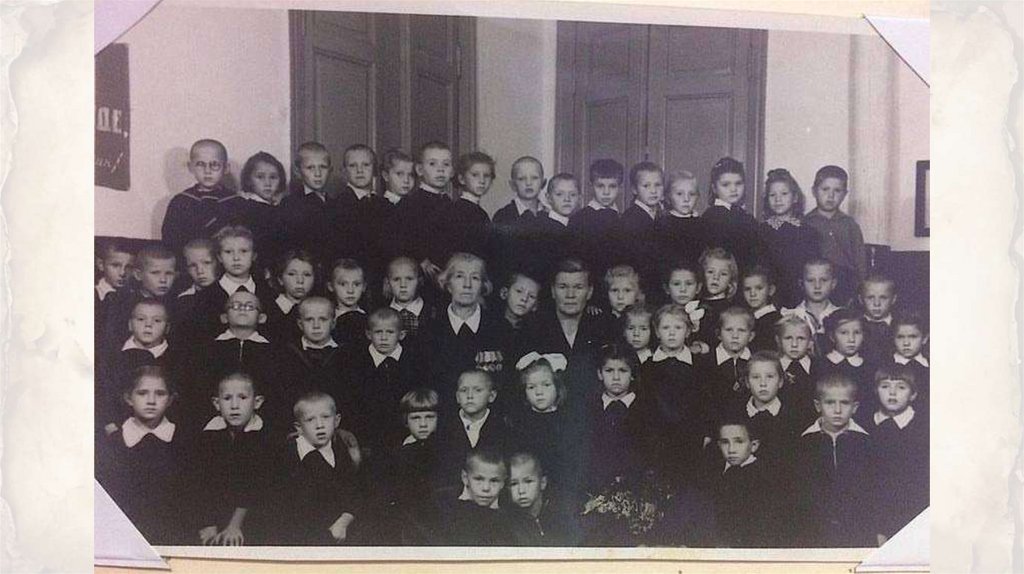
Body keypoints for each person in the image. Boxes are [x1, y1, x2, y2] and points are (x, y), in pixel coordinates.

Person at [96, 366, 189, 544]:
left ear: (170, 399)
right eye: (142, 393)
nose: (151, 401)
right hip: (123, 534)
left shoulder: (181, 441)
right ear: (129, 398)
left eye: (160, 394)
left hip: (172, 533)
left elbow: (188, 492)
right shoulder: (114, 443)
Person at [792, 374, 877, 547]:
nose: (837, 410)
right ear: (818, 406)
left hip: (858, 530)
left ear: (854, 407)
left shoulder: (866, 442)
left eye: (844, 403)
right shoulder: (803, 443)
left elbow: (875, 490)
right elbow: (798, 492)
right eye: (830, 403)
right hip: (813, 531)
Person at [265, 391, 359, 545]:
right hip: (297, 535)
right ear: (299, 428)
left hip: (337, 531)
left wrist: (344, 520)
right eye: (310, 420)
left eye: (325, 417)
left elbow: (352, 492)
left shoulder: (341, 450)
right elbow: (280, 507)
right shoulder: (287, 455)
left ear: (336, 421)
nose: (319, 425)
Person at [191, 373, 272, 546]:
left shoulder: (264, 439)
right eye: (227, 398)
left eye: (242, 398)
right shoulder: (208, 436)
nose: (234, 406)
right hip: (215, 511)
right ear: (217, 404)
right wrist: (208, 523)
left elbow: (254, 486)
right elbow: (201, 482)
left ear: (257, 402)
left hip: (250, 513)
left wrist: (235, 525)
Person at [423, 252, 504, 408]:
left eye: (475, 278)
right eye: (459, 276)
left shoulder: (500, 327)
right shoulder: (429, 331)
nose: (467, 285)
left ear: (483, 286)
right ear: (447, 284)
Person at [339, 307, 419, 464]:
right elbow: (350, 403)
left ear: (401, 335)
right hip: (367, 438)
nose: (383, 338)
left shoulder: (413, 361)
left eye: (390, 332)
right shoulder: (355, 363)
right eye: (378, 332)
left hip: (406, 435)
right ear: (368, 334)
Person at [639, 304, 703, 482]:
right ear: (657, 332)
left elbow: (705, 404)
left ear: (688, 331)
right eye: (666, 328)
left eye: (678, 327)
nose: (672, 333)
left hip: (691, 441)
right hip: (656, 442)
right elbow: (644, 407)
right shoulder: (647, 368)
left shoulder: (700, 366)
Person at [581, 344, 656, 492]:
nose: (616, 377)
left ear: (632, 374)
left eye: (623, 370)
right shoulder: (589, 408)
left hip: (637, 488)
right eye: (609, 371)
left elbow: (650, 454)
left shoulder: (646, 409)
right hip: (596, 488)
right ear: (600, 374)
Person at [97, 300, 175, 437]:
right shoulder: (111, 358)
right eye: (141, 319)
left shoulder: (177, 360)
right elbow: (102, 395)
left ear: (167, 327)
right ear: (130, 324)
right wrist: (110, 425)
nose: (148, 325)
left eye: (157, 320)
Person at [868, 367, 929, 541]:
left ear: (913, 395)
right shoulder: (865, 424)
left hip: (911, 515)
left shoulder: (924, 427)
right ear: (876, 391)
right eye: (885, 386)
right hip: (873, 516)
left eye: (901, 387)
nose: (892, 392)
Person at [705, 419, 785, 547]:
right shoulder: (712, 473)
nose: (731, 449)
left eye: (739, 442)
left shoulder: (765, 478)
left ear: (754, 446)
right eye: (725, 442)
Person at [188, 225, 274, 343]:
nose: (236, 258)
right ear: (219, 257)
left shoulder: (269, 294)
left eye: (243, 251)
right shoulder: (204, 298)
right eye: (228, 252)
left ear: (254, 255)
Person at [505, 353, 578, 491]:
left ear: (557, 387)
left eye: (546, 385)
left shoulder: (568, 421)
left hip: (563, 486)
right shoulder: (520, 423)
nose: (539, 392)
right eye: (531, 387)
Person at [436, 370, 510, 492]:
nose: (470, 396)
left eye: (477, 390)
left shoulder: (504, 430)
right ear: (457, 397)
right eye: (464, 390)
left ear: (491, 396)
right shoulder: (443, 430)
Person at [803, 165, 866, 305]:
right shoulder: (805, 223)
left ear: (844, 194)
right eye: (825, 189)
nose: (830, 196)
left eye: (837, 191)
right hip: (815, 283)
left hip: (845, 285)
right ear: (814, 191)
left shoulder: (850, 225)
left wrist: (860, 290)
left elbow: (860, 262)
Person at [100, 244, 177, 358]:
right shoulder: (121, 305)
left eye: (169, 273)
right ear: (138, 275)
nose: (163, 280)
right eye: (155, 273)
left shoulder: (176, 306)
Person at [161, 138, 235, 255]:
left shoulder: (236, 202)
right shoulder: (180, 203)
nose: (207, 171)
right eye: (200, 164)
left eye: (214, 165)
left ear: (226, 168)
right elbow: (170, 241)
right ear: (190, 167)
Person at [758, 168, 820, 308]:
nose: (778, 199)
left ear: (795, 197)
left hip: (800, 297)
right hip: (770, 298)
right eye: (772, 195)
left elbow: (812, 269)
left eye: (784, 194)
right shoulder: (761, 231)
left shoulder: (808, 233)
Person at [223, 151, 288, 274]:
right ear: (249, 180)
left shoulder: (278, 208)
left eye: (273, 177)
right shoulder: (245, 208)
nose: (268, 183)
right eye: (260, 177)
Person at [696, 306, 756, 439]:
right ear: (718, 334)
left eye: (741, 330)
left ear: (751, 336)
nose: (735, 336)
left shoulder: (756, 363)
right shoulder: (704, 363)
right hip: (712, 432)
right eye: (729, 330)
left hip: (749, 431)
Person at [434, 449, 516, 546]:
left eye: (494, 481)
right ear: (465, 478)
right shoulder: (443, 506)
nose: (486, 488)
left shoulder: (511, 511)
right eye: (479, 479)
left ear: (503, 482)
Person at [280, 141, 339, 265]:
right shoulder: (290, 204)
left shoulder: (335, 205)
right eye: (310, 168)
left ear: (330, 170)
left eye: (323, 167)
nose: (317, 174)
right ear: (297, 171)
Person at [505, 452, 582, 546]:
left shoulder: (561, 518)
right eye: (514, 484)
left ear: (542, 483)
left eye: (528, 481)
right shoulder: (506, 526)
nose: (521, 490)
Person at [406, 141, 455, 285]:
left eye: (446, 164)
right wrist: (421, 260)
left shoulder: (451, 204)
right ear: (420, 170)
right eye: (432, 164)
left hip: (450, 275)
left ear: (452, 171)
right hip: (423, 277)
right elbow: (405, 239)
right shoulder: (411, 203)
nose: (440, 170)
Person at [701, 156, 761, 274]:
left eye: (738, 183)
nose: (733, 189)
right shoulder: (711, 217)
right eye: (726, 185)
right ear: (714, 188)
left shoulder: (745, 217)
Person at [493, 156, 547, 284]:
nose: (528, 183)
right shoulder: (503, 216)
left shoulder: (549, 215)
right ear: (513, 185)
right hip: (513, 283)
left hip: (544, 283)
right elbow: (498, 258)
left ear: (543, 183)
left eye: (534, 178)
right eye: (522, 179)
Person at [569, 158, 624, 281]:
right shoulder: (578, 220)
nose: (606, 192)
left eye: (612, 186)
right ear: (591, 186)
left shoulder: (623, 220)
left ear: (620, 188)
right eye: (600, 186)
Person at [817, 308, 876, 421]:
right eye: (844, 333)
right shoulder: (820, 365)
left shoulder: (869, 367)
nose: (851, 339)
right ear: (832, 336)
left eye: (857, 333)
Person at [781, 258, 843, 354]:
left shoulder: (841, 316)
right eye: (810, 280)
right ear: (801, 283)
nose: (817, 286)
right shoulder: (789, 315)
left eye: (824, 280)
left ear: (833, 283)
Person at [442, 151, 495, 262]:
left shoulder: (479, 211)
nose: (482, 181)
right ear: (461, 179)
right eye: (475, 175)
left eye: (486, 176)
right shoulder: (458, 211)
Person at [619, 161, 665, 285]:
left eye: (658, 185)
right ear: (634, 189)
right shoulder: (630, 219)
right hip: (640, 283)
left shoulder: (662, 216)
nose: (653, 191)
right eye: (646, 186)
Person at [534, 173, 581, 282]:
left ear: (579, 198)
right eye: (559, 194)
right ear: (548, 198)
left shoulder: (577, 227)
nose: (567, 199)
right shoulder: (543, 228)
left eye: (572, 194)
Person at [656, 170, 708, 268]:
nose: (686, 199)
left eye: (691, 194)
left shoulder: (702, 225)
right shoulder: (662, 225)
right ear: (668, 196)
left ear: (698, 196)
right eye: (679, 194)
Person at [264, 249, 316, 345]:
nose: (300, 280)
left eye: (307, 275)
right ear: (280, 279)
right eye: (292, 274)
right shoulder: (269, 309)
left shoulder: (319, 309)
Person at [692, 247, 740, 352]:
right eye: (710, 272)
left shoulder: (731, 310)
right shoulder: (693, 305)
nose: (716, 277)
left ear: (730, 280)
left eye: (723, 274)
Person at [383, 255, 439, 342]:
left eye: (409, 279)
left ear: (420, 281)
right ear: (387, 283)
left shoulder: (435, 312)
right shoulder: (380, 313)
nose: (403, 285)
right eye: (396, 279)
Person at [774, 315, 820, 420]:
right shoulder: (772, 366)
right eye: (788, 338)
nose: (794, 344)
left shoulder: (819, 367)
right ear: (778, 340)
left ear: (810, 342)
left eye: (801, 339)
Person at [886, 310, 930, 412]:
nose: (906, 343)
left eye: (913, 337)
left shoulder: (930, 365)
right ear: (893, 338)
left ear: (924, 338)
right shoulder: (885, 364)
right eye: (900, 337)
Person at [326, 258, 368, 349]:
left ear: (364, 287)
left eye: (356, 284)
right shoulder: (327, 319)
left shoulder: (369, 318)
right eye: (343, 284)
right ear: (331, 286)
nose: (350, 290)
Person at [858, 273, 898, 367]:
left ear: (893, 299)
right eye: (870, 298)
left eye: (883, 298)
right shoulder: (853, 325)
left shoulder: (901, 326)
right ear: (860, 299)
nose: (877, 304)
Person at [176, 237, 219, 319]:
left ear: (218, 262)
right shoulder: (184, 300)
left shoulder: (230, 292)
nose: (200, 271)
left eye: (207, 263)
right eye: (192, 265)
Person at [741, 266, 781, 352]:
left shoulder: (774, 321)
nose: (752, 294)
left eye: (759, 288)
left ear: (771, 290)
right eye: (747, 289)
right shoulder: (746, 318)